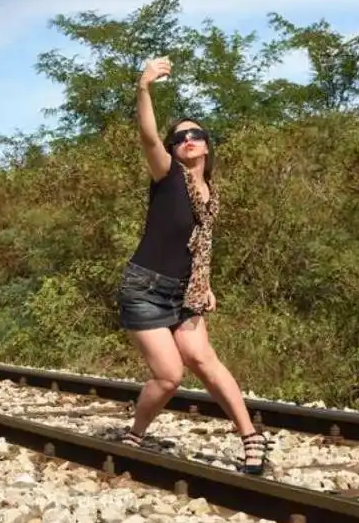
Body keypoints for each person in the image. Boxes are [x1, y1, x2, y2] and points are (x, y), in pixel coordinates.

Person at [115, 56, 270, 475]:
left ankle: (251, 437)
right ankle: (136, 433)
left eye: (195, 134)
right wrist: (143, 87)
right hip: (145, 289)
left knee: (204, 359)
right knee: (169, 376)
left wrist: (206, 285)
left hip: (186, 290)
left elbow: (199, 245)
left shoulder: (210, 192)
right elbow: (148, 137)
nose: (187, 139)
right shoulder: (166, 175)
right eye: (180, 136)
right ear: (173, 147)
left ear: (206, 144)